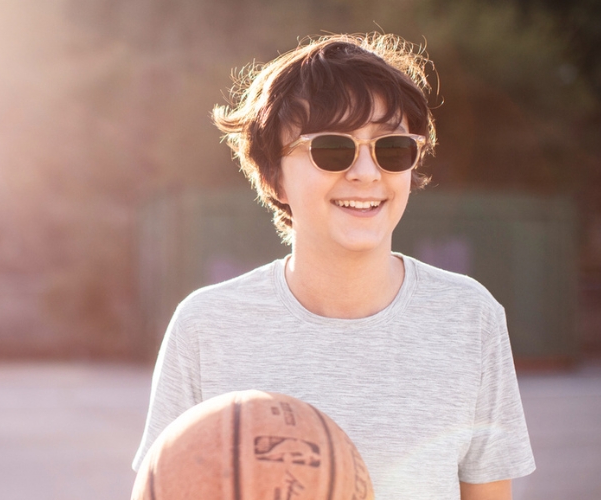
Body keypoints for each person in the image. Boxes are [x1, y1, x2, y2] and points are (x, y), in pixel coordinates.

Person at [132, 33, 535, 500]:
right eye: (332, 148)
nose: (366, 173)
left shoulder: (469, 316)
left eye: (392, 148)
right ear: (272, 176)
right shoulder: (206, 326)